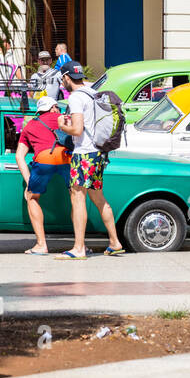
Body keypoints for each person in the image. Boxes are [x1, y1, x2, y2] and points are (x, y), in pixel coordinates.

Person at [55, 63, 126, 259]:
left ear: (67, 78)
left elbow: (77, 130)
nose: (63, 82)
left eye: (63, 79)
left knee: (78, 199)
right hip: (97, 153)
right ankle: (115, 242)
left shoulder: (77, 97)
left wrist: (62, 125)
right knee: (98, 198)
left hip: (83, 154)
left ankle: (78, 248)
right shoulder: (91, 92)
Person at [15, 96, 71, 255]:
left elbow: (19, 156)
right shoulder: (63, 118)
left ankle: (41, 244)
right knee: (77, 197)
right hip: (66, 157)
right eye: (57, 108)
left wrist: (28, 183)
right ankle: (80, 244)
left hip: (44, 158)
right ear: (53, 107)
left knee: (32, 198)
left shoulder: (30, 125)